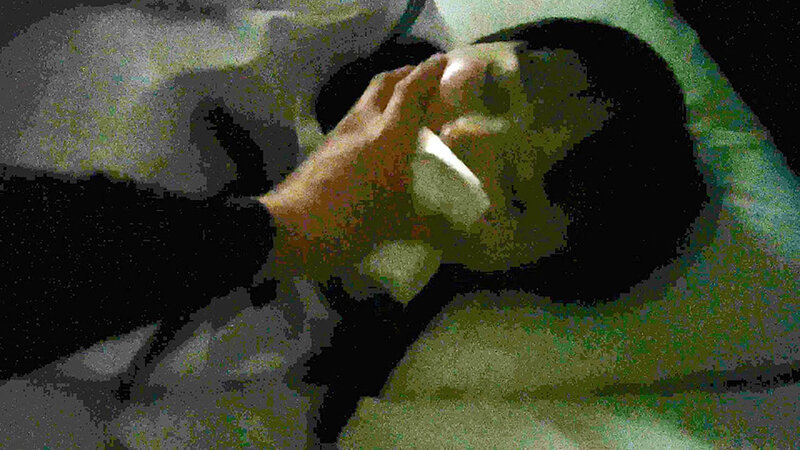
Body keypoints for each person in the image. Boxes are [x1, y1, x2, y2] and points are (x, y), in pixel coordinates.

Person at [1, 16, 709, 446]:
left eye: (522, 193)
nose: (468, 139)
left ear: (509, 269)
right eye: (492, 89)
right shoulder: (306, 31)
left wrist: (284, 232)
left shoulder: (304, 362)